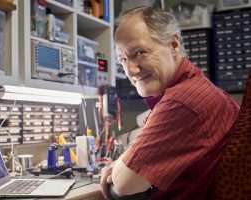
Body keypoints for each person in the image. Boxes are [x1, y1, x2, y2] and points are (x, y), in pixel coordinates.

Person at [100, 6, 240, 200]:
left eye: (139, 53)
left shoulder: (182, 102)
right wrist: (126, 162)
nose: (130, 70)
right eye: (123, 60)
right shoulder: (197, 89)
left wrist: (120, 166)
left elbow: (124, 184)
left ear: (173, 45)